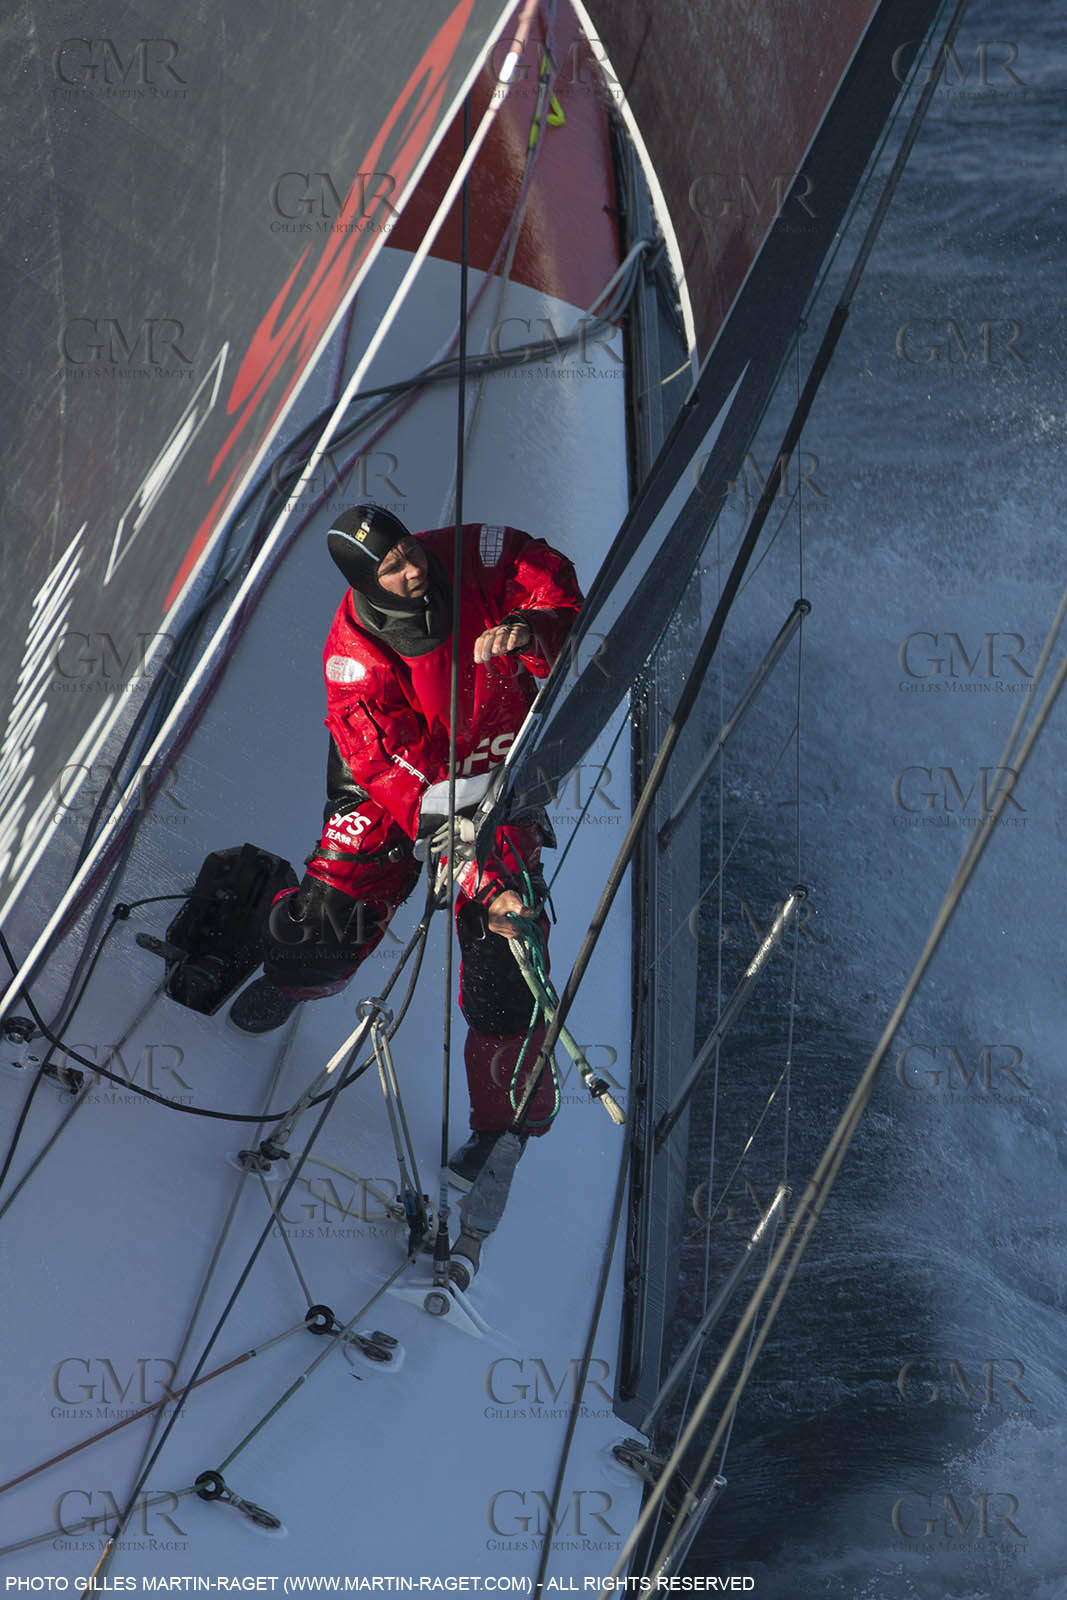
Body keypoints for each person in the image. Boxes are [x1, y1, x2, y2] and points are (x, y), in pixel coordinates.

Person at [229, 505, 583, 1189]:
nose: (412, 569)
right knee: (321, 939)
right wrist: (464, 854)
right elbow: (395, 768)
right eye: (389, 567)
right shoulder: (352, 659)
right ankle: (275, 944)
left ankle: (501, 1129)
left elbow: (556, 589)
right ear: (364, 582)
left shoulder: (479, 553)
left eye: (408, 552)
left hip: (494, 774)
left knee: (504, 948)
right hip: (390, 782)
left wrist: (532, 630)